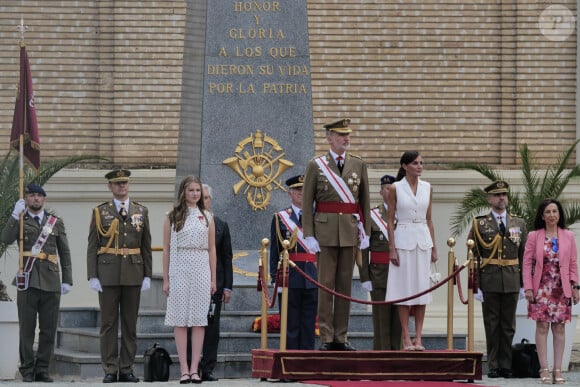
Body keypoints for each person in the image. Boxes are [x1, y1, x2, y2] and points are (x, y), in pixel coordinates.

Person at [302, 118, 371, 351]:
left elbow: (364, 200)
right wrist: (309, 234)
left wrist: (366, 231)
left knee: (345, 287)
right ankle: (326, 336)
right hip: (324, 231)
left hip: (350, 231)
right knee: (326, 286)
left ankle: (341, 336)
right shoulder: (316, 165)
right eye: (341, 135)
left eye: (348, 134)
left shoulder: (359, 164)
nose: (346, 138)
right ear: (329, 138)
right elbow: (307, 200)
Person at [1, 184, 73, 383]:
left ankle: (42, 369)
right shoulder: (21, 221)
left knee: (48, 329)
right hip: (28, 280)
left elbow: (64, 252)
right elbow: (5, 239)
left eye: (39, 196)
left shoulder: (55, 222)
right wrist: (15, 217)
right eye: (32, 195)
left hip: (51, 281)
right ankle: (27, 369)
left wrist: (67, 279)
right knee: (27, 328)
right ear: (26, 199)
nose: (36, 199)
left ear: (44, 199)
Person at [87, 169, 152, 383]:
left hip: (134, 272)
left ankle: (126, 368)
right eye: (117, 184)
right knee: (108, 324)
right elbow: (92, 246)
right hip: (107, 274)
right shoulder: (100, 212)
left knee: (130, 324)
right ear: (110, 187)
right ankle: (109, 368)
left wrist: (148, 275)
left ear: (129, 185)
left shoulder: (141, 211)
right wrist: (92, 275)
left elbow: (146, 246)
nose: (121, 187)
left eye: (124, 183)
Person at [468, 180, 526, 379]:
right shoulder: (479, 223)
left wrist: (523, 284)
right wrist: (475, 285)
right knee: (492, 324)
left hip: (511, 278)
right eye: (497, 195)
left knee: (508, 325)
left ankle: (506, 364)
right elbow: (472, 255)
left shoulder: (519, 223)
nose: (502, 198)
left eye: (504, 195)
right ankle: (493, 365)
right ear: (489, 199)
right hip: (489, 279)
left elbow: (524, 255)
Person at [162, 175, 217, 384]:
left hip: (201, 266)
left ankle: (195, 369)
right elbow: (166, 249)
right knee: (180, 319)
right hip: (179, 267)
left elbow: (212, 249)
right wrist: (166, 278)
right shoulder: (172, 215)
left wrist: (213, 278)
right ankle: (183, 369)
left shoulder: (208, 216)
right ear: (183, 192)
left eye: (197, 190)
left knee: (199, 320)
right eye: (191, 190)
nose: (195, 194)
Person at [523, 198, 579, 384]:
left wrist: (575, 286)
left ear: (559, 214)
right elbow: (526, 263)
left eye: (555, 211)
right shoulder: (534, 236)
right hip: (541, 288)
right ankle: (544, 369)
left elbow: (572, 263)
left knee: (560, 327)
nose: (552, 215)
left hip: (561, 288)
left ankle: (558, 370)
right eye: (548, 212)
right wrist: (528, 287)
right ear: (542, 215)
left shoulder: (568, 236)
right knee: (542, 326)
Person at [385, 151, 437, 352]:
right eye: (415, 163)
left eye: (421, 163)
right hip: (403, 239)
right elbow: (390, 219)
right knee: (404, 289)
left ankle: (418, 337)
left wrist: (434, 247)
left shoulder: (427, 187)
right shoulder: (395, 187)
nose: (419, 166)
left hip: (423, 240)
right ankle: (406, 337)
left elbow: (430, 219)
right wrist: (391, 248)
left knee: (422, 290)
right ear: (405, 165)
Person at [270, 174, 318, 350]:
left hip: (313, 276)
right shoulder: (280, 217)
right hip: (290, 276)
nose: (301, 193)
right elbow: (275, 250)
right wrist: (275, 278)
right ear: (290, 193)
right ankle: (289, 363)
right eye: (297, 190)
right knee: (290, 324)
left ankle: (306, 363)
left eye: (305, 190)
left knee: (308, 324)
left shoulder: (318, 216)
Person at [360, 174, 402, 350]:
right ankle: (381, 355)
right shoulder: (372, 216)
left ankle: (398, 356)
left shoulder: (405, 215)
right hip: (379, 274)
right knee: (381, 319)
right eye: (387, 188)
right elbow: (363, 248)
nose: (390, 191)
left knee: (399, 319)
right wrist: (364, 277)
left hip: (401, 273)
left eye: (393, 189)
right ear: (381, 192)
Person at [199, 183, 233, 382]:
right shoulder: (186, 222)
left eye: (205, 197)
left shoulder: (221, 224)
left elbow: (227, 258)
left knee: (212, 328)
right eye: (199, 196)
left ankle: (208, 368)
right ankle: (192, 366)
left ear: (210, 200)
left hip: (215, 284)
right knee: (193, 325)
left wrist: (227, 286)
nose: (202, 200)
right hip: (193, 282)